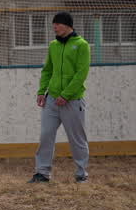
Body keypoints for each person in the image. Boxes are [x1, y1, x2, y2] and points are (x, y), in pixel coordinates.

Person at [30, 12, 91, 184]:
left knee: (77, 138)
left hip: (72, 101)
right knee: (46, 135)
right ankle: (42, 173)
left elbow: (81, 73)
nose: (54, 27)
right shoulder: (53, 46)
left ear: (67, 25)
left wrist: (66, 95)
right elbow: (47, 70)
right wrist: (42, 91)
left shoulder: (82, 45)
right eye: (53, 25)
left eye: (57, 24)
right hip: (52, 100)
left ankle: (81, 174)